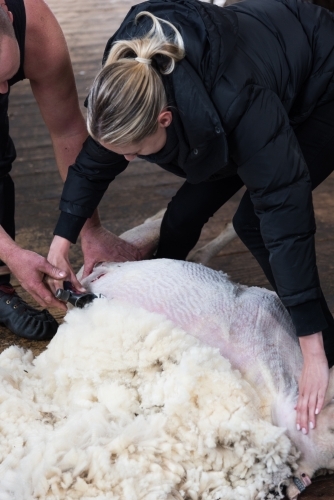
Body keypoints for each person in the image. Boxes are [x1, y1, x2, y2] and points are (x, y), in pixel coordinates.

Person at [47, 0, 334, 435]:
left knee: (255, 222)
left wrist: (312, 351)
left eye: (133, 151)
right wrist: (60, 241)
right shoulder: (126, 75)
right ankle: (171, 307)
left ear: (165, 117)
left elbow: (285, 213)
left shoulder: (238, 103)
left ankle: (326, 349)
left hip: (322, 78)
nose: (122, 158)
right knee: (180, 219)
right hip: (240, 94)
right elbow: (95, 161)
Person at [0, 0, 89, 340]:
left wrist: (87, 227)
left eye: (7, 76)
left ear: (7, 14)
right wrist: (11, 253)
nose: (4, 93)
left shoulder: (33, 23)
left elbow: (66, 129)